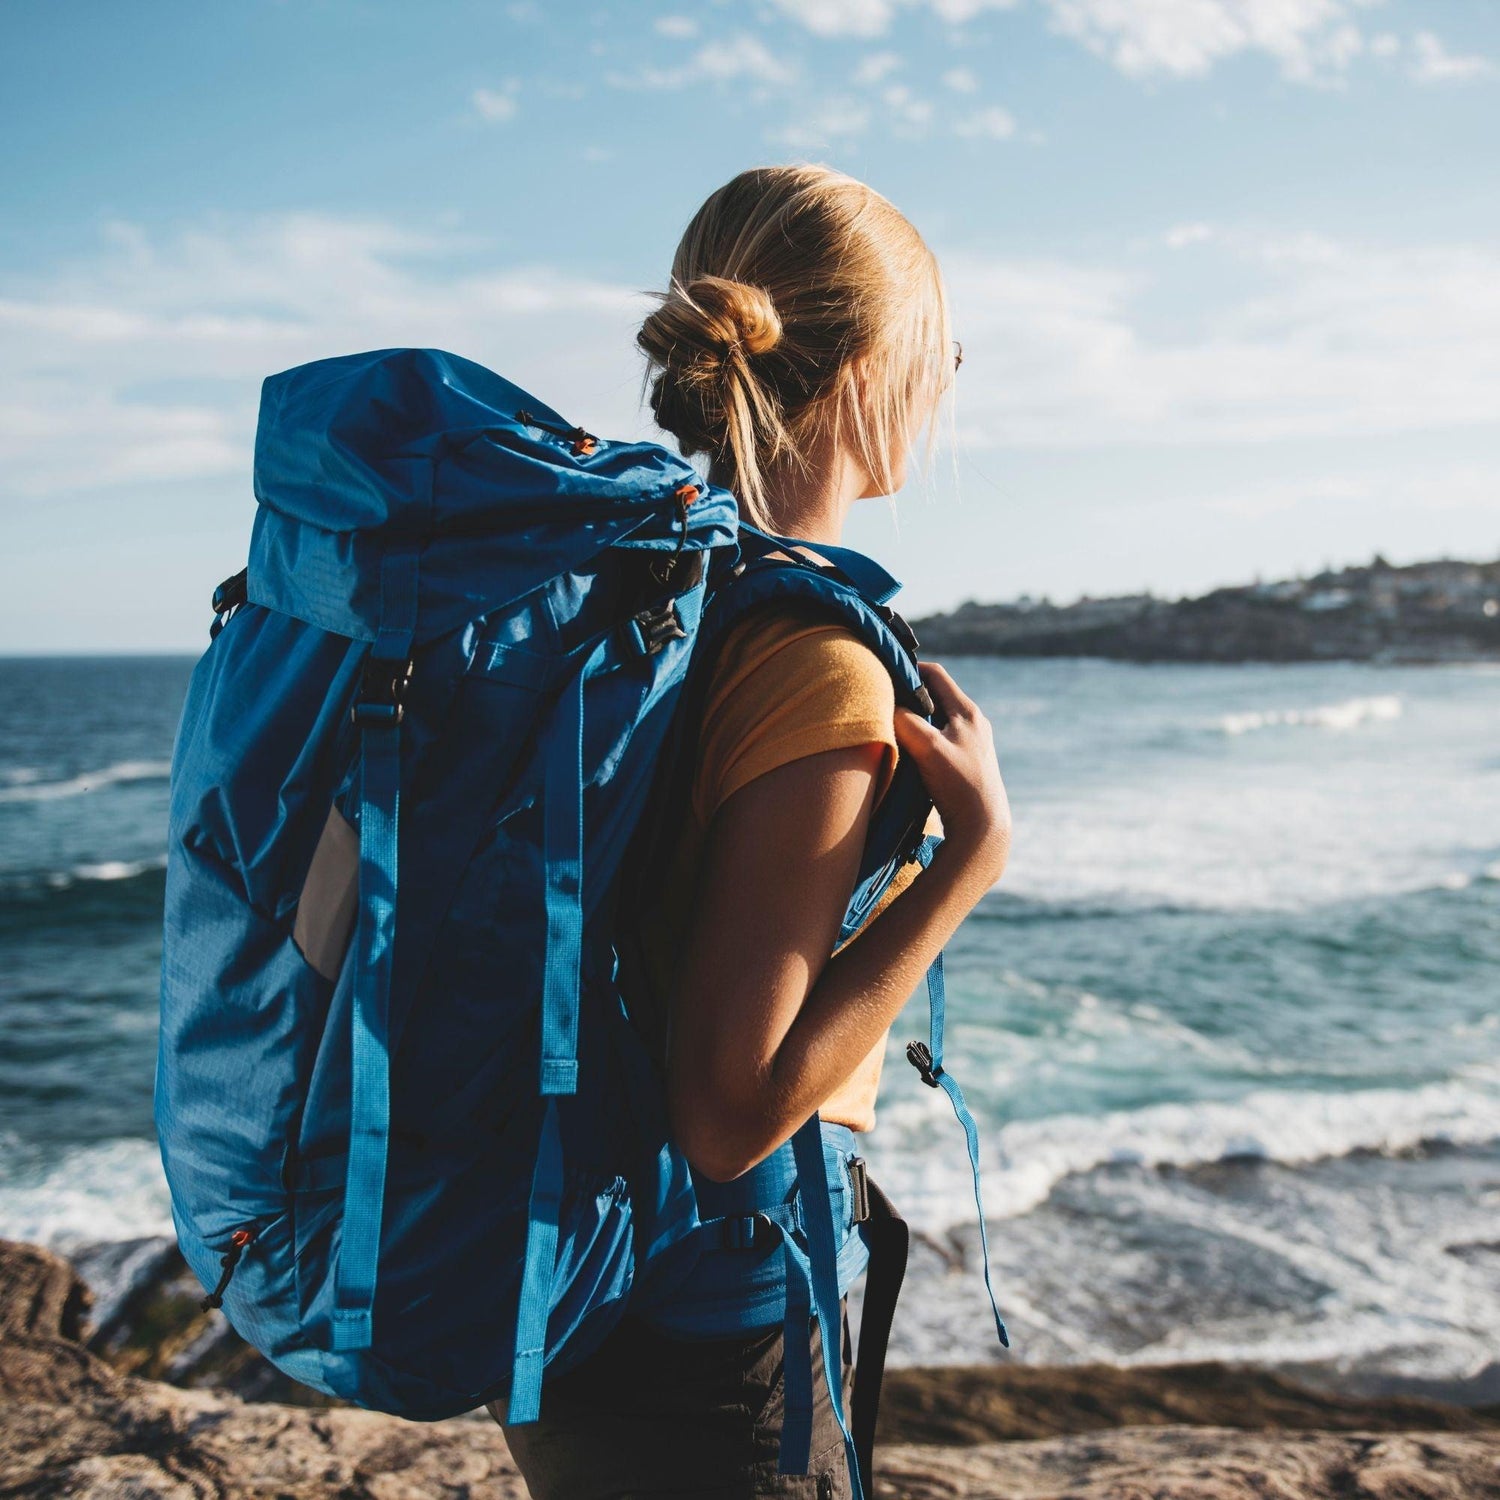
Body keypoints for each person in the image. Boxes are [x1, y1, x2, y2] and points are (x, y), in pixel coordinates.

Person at [492, 163, 1011, 1499]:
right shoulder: (816, 661)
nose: (949, 377)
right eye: (938, 347)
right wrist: (969, 866)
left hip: (571, 1283)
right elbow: (730, 1113)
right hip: (702, 1327)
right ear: (860, 371)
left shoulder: (641, 601)